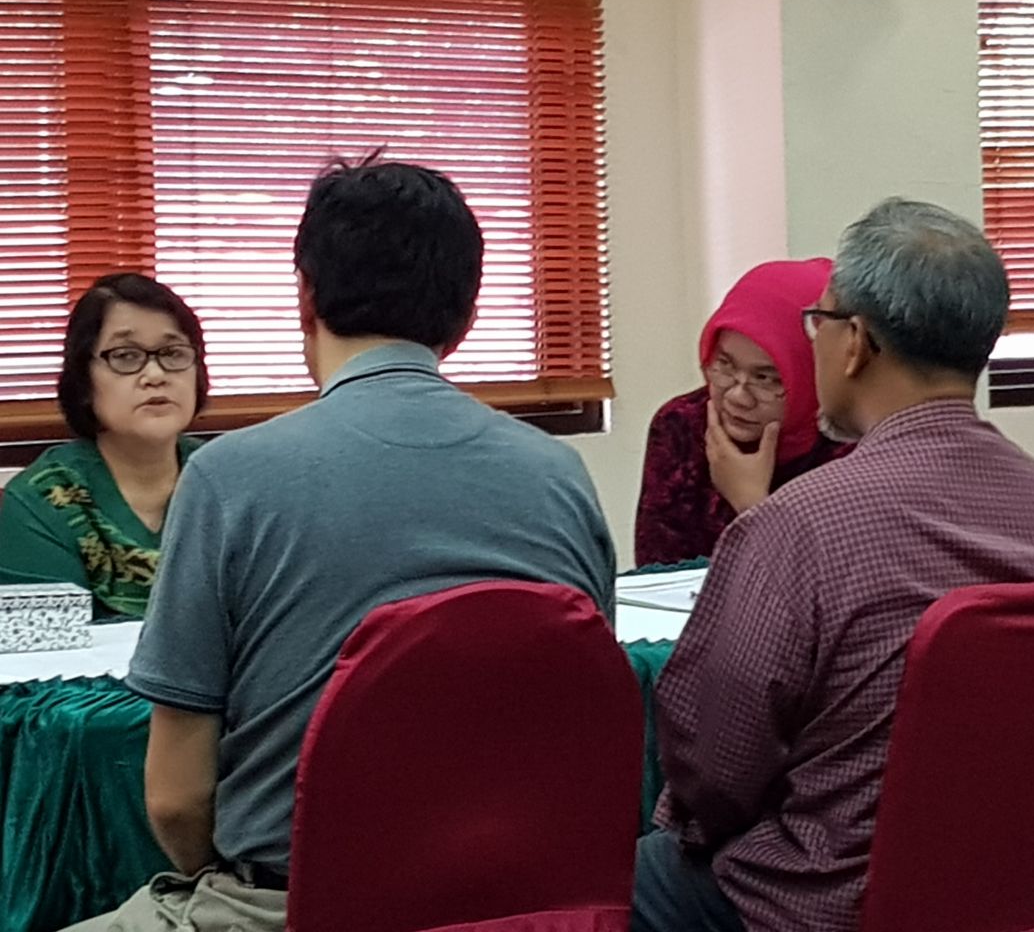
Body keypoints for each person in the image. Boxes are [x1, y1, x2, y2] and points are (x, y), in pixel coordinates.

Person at [67, 156, 615, 932]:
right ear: (465, 315)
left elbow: (176, 799)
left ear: (306, 298)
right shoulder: (559, 475)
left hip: (287, 907)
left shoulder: (229, 478)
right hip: (518, 909)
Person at [631, 198, 1034, 932]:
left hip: (820, 899)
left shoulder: (797, 524)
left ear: (854, 342)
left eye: (816, 324)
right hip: (1018, 894)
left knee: (608, 877)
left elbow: (714, 771)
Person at [0, 273, 207, 619]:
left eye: (173, 353)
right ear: (83, 380)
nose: (156, 375)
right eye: (125, 356)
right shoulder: (44, 500)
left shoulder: (233, 480)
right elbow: (48, 641)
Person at [633, 258, 851, 566]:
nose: (738, 397)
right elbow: (657, 574)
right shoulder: (681, 425)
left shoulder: (851, 445)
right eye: (724, 364)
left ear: (813, 372)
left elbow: (832, 584)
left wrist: (751, 503)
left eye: (766, 378)